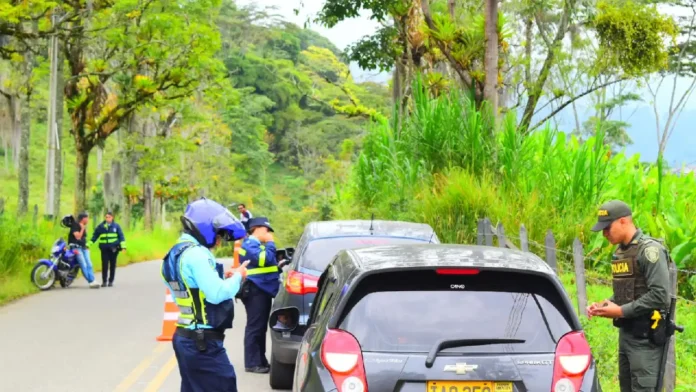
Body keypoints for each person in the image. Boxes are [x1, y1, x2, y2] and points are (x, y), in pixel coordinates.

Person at [161, 198, 249, 392]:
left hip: (184, 337)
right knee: (224, 385)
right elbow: (217, 294)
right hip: (202, 343)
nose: (218, 241)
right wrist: (238, 277)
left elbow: (190, 289)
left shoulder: (173, 254)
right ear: (205, 227)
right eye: (218, 234)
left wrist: (219, 277)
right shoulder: (197, 254)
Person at [586, 200, 672, 392]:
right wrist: (606, 304)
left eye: (607, 228)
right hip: (626, 335)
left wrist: (620, 311)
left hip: (645, 339)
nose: (604, 234)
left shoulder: (650, 251)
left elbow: (660, 296)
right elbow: (625, 292)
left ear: (623, 221)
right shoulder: (621, 252)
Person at [238, 216, 281, 374]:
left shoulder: (255, 245)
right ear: (257, 228)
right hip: (256, 290)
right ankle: (252, 363)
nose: (269, 233)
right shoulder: (250, 244)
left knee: (260, 327)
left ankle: (260, 361)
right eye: (267, 230)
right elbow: (266, 259)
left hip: (261, 290)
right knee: (255, 327)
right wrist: (271, 243)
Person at [90, 211, 126, 287]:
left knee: (112, 265)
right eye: (106, 217)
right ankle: (104, 281)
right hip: (104, 249)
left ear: (112, 217)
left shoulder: (116, 226)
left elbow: (121, 237)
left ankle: (111, 281)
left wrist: (123, 247)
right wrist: (88, 244)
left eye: (109, 217)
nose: (107, 218)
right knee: (104, 265)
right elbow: (95, 236)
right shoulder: (101, 226)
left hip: (114, 249)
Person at [68, 212, 100, 289]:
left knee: (89, 264)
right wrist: (82, 229)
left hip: (83, 247)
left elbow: (83, 239)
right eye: (87, 218)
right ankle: (91, 281)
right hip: (76, 247)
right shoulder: (75, 225)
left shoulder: (83, 226)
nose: (88, 220)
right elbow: (78, 237)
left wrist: (86, 246)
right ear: (83, 219)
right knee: (83, 264)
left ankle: (93, 280)